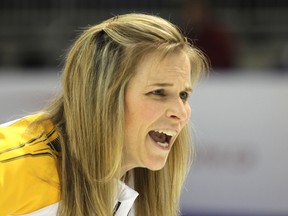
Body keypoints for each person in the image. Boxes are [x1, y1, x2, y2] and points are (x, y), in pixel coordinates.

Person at [0, 13, 207, 216]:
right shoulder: (13, 169)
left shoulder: (136, 180)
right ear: (101, 96)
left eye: (183, 95)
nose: (181, 113)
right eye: (158, 92)